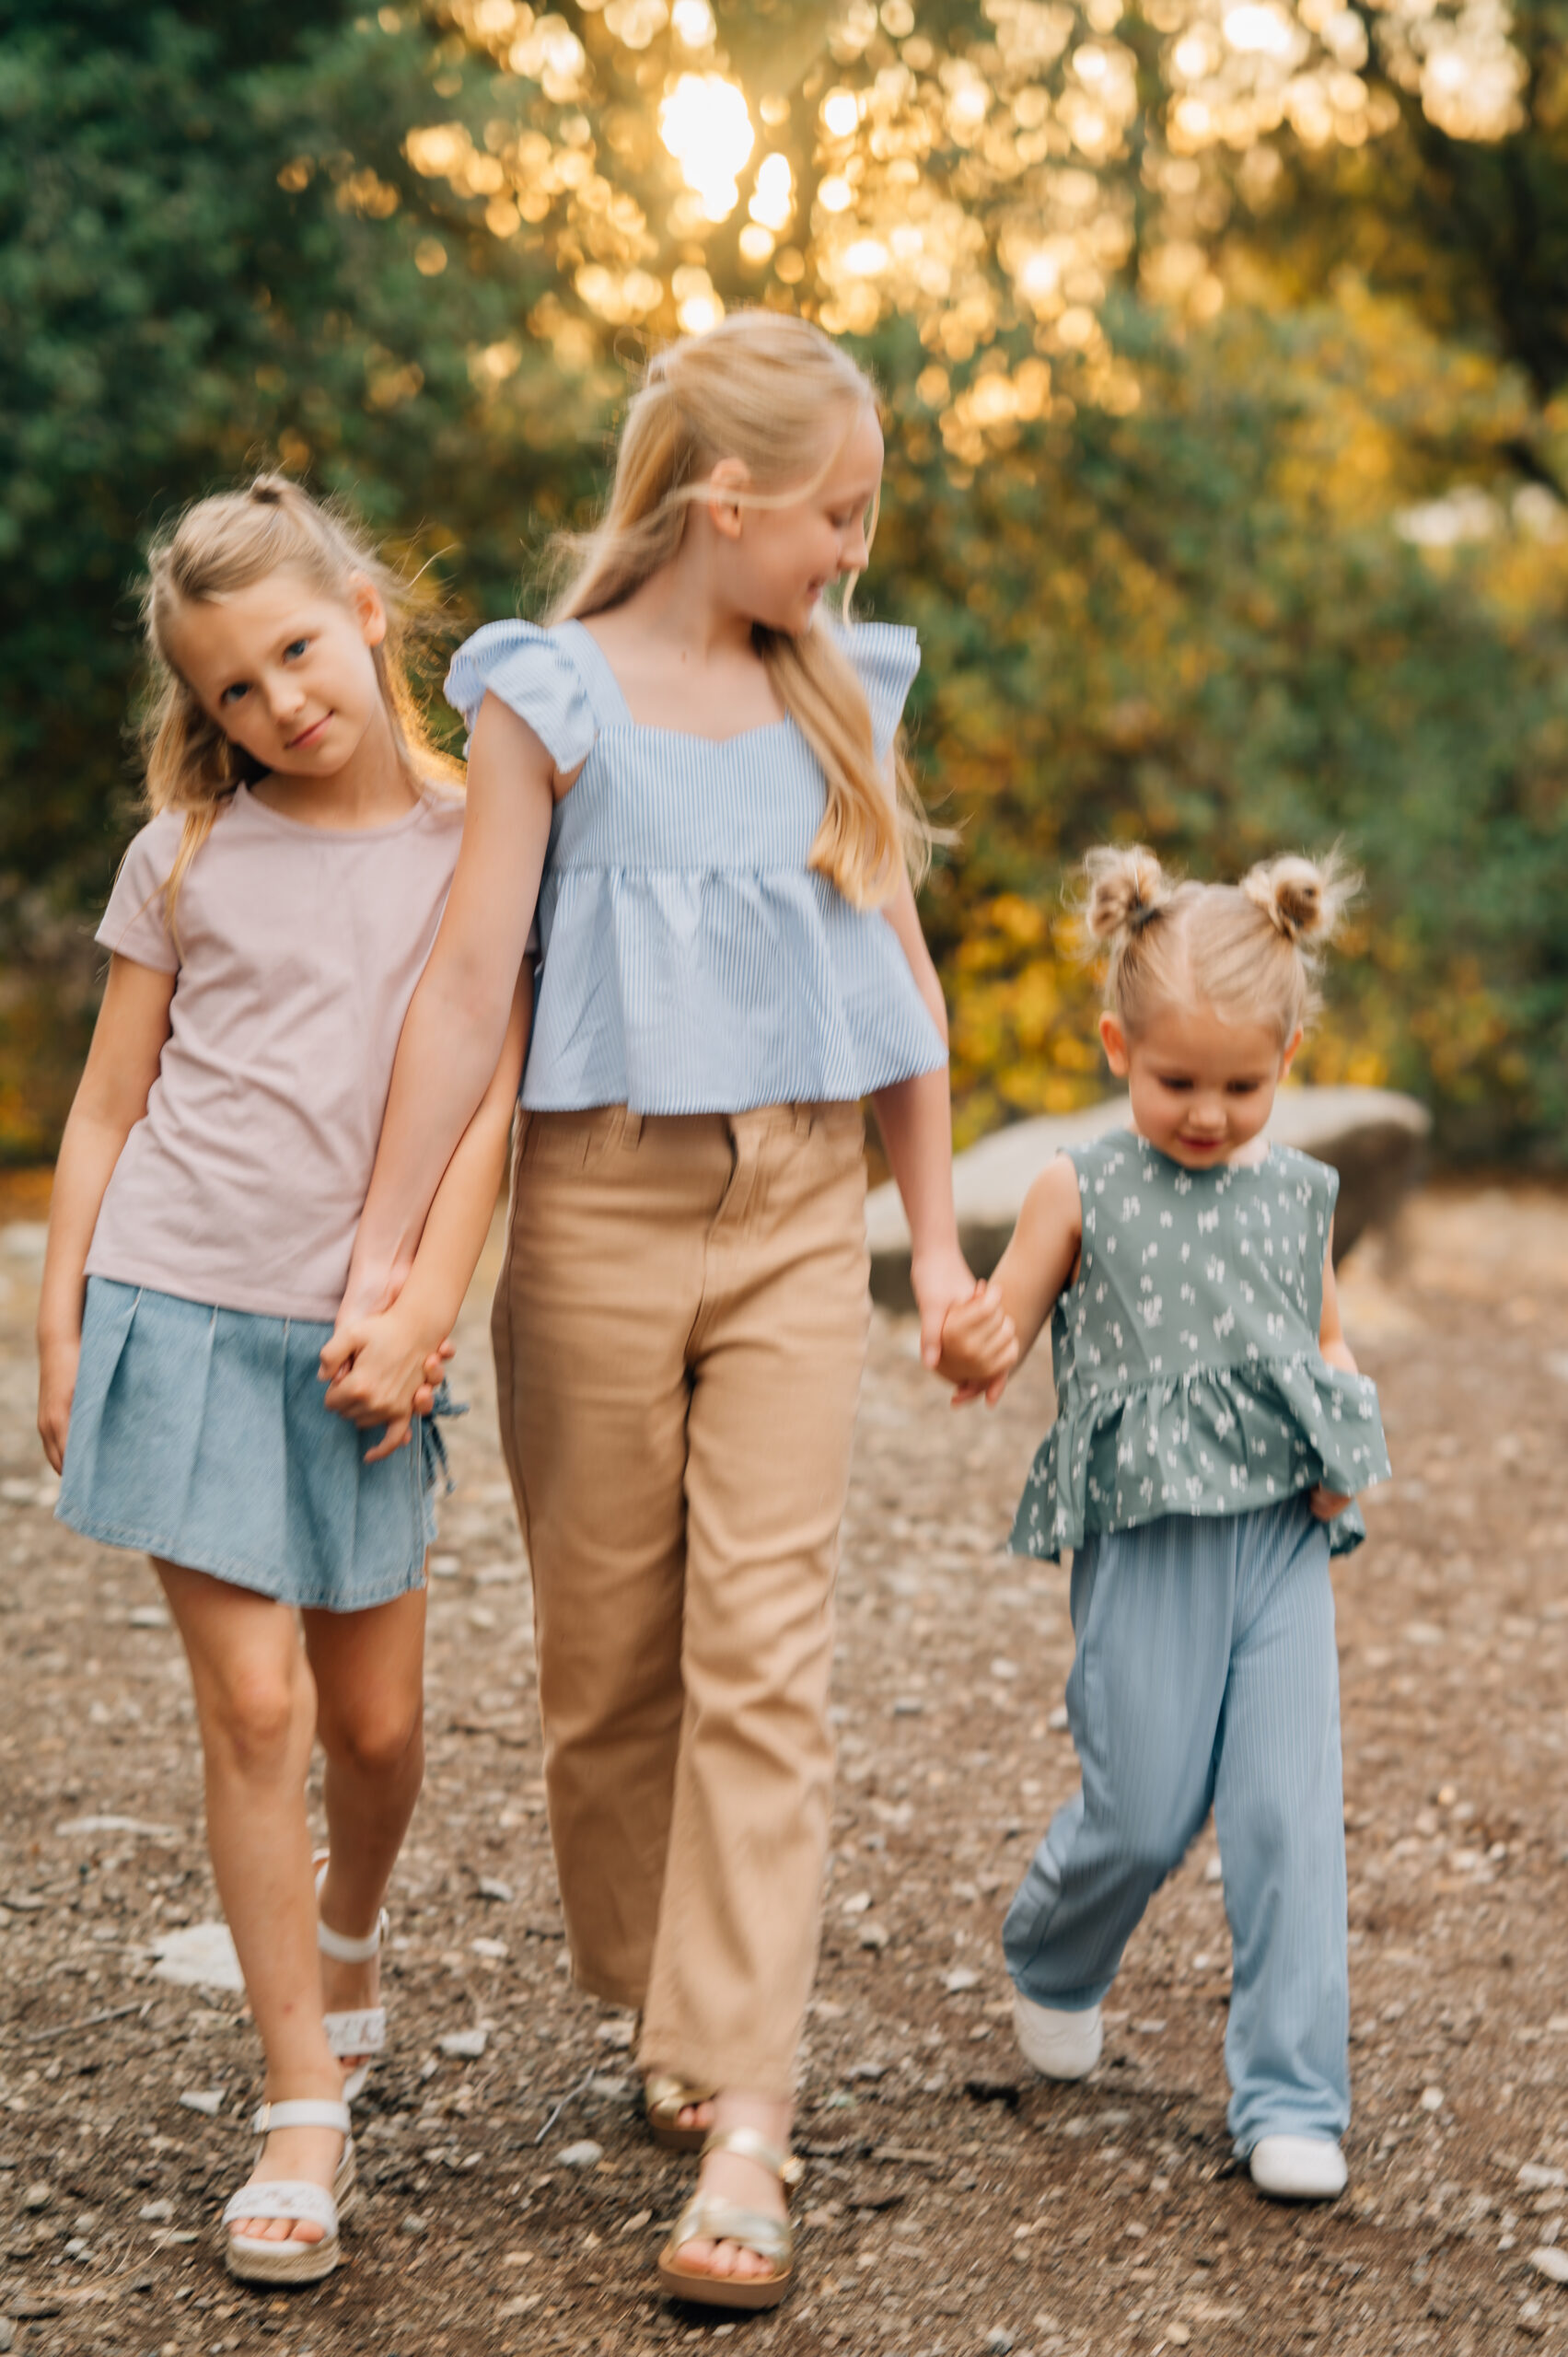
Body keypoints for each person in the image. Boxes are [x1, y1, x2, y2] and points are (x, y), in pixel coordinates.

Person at [321, 310, 981, 2308]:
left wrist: (934, 1247)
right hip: (595, 1206)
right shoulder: (550, 696)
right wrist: (382, 1242)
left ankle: (750, 2111)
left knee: (765, 1652)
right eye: (835, 516)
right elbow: (460, 987)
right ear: (728, 500)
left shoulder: (844, 688)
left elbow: (910, 989)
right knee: (611, 1663)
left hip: (795, 1207)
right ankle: (665, 1993)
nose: (854, 554)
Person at [36, 477, 527, 2287]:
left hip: (360, 1340)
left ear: (369, 613)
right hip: (178, 1296)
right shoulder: (182, 850)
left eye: (296, 654)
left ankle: (351, 1924)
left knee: (378, 1729)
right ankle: (300, 2101)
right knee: (255, 1711)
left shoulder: (486, 838)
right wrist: (65, 1313)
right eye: (233, 690)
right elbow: (105, 1105)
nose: (277, 707)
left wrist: (422, 1310)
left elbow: (487, 1100)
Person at [936, 845, 1390, 2203]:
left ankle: (1293, 2096)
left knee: (1286, 1816)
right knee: (1142, 1809)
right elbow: (1004, 1328)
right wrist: (972, 1340)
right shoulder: (1081, 1186)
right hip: (1143, 1539)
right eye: (1176, 1081)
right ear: (1116, 1044)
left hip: (1279, 1537)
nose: (1208, 1114)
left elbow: (1320, 1341)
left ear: (1289, 1058)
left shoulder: (1302, 1197)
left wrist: (1349, 1431)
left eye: (1242, 1086)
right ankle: (1056, 1951)